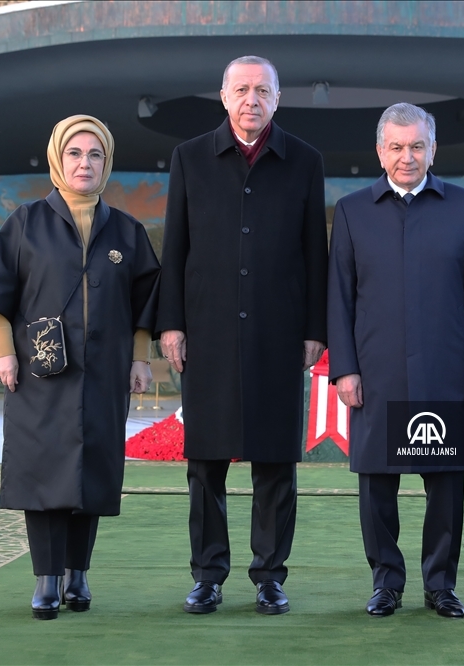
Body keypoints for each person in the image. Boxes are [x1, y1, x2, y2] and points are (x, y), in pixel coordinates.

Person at [0, 115, 160, 620]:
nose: (85, 163)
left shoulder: (127, 231)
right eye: (75, 153)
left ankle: (78, 573)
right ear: (57, 158)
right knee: (43, 472)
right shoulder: (25, 223)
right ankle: (46, 578)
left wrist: (140, 358)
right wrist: (3, 352)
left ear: (106, 163)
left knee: (90, 471)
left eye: (95, 154)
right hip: (39, 374)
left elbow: (145, 304)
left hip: (104, 374)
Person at [157, 55, 328, 616]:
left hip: (280, 330)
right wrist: (172, 322)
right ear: (223, 96)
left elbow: (315, 252)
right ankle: (207, 575)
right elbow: (175, 246)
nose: (252, 99)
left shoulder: (304, 161)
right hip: (206, 329)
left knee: (275, 460)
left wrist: (314, 328)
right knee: (205, 461)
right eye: (242, 89)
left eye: (263, 90)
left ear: (278, 98)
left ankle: (269, 575)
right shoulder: (190, 158)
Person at [328, 103, 464, 619]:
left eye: (417, 146)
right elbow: (339, 297)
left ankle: (440, 584)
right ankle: (386, 583)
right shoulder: (352, 211)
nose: (408, 156)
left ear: (433, 149)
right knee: (376, 483)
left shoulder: (463, 206)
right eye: (397, 146)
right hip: (375, 370)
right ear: (380, 151)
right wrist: (345, 368)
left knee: (445, 483)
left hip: (445, 367)